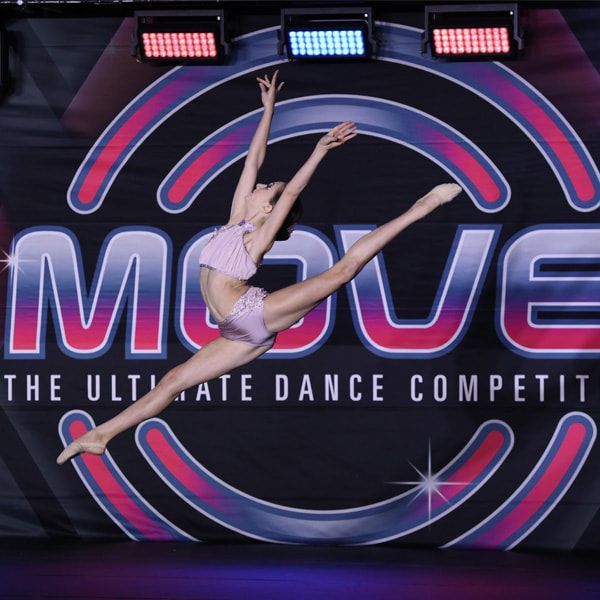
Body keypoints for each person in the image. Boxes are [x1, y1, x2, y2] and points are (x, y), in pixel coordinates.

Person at [57, 70, 461, 465]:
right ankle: (101, 435)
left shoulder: (258, 236)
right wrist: (269, 109)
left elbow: (293, 191)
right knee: (173, 382)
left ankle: (422, 206)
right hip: (233, 333)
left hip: (252, 312)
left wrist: (319, 150)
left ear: (269, 207)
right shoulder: (235, 220)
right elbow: (253, 159)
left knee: (343, 271)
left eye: (267, 187)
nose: (259, 183)